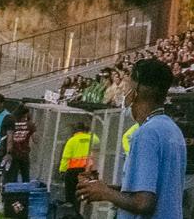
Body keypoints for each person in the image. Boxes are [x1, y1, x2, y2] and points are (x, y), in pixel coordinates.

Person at [77, 58, 187, 219]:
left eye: (128, 85)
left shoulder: (147, 133)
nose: (124, 92)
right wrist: (103, 188)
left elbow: (143, 203)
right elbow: (153, 191)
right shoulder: (172, 130)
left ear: (138, 90)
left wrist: (105, 192)